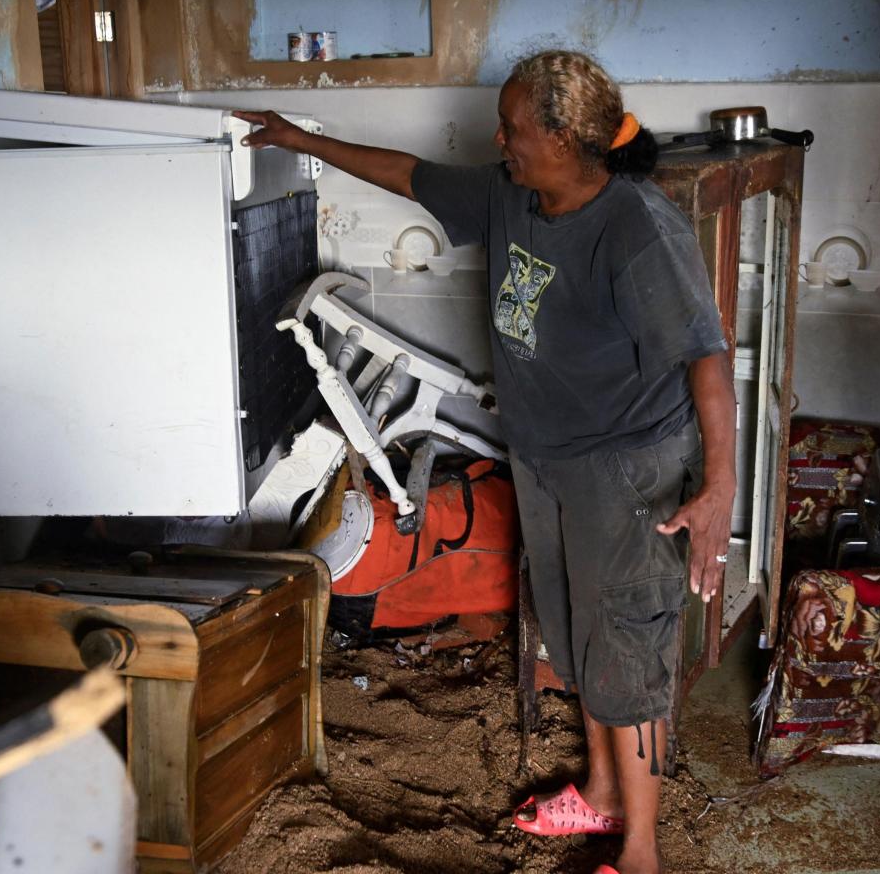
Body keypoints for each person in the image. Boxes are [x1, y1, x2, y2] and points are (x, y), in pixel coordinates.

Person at [235, 49, 737, 874]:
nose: (498, 139)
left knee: (631, 650)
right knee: (581, 642)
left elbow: (706, 358)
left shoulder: (635, 227)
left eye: (513, 127)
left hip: (627, 468)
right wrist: (299, 139)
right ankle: (603, 797)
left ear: (569, 138)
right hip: (548, 461)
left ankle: (640, 853)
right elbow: (407, 173)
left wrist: (719, 486)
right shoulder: (515, 193)